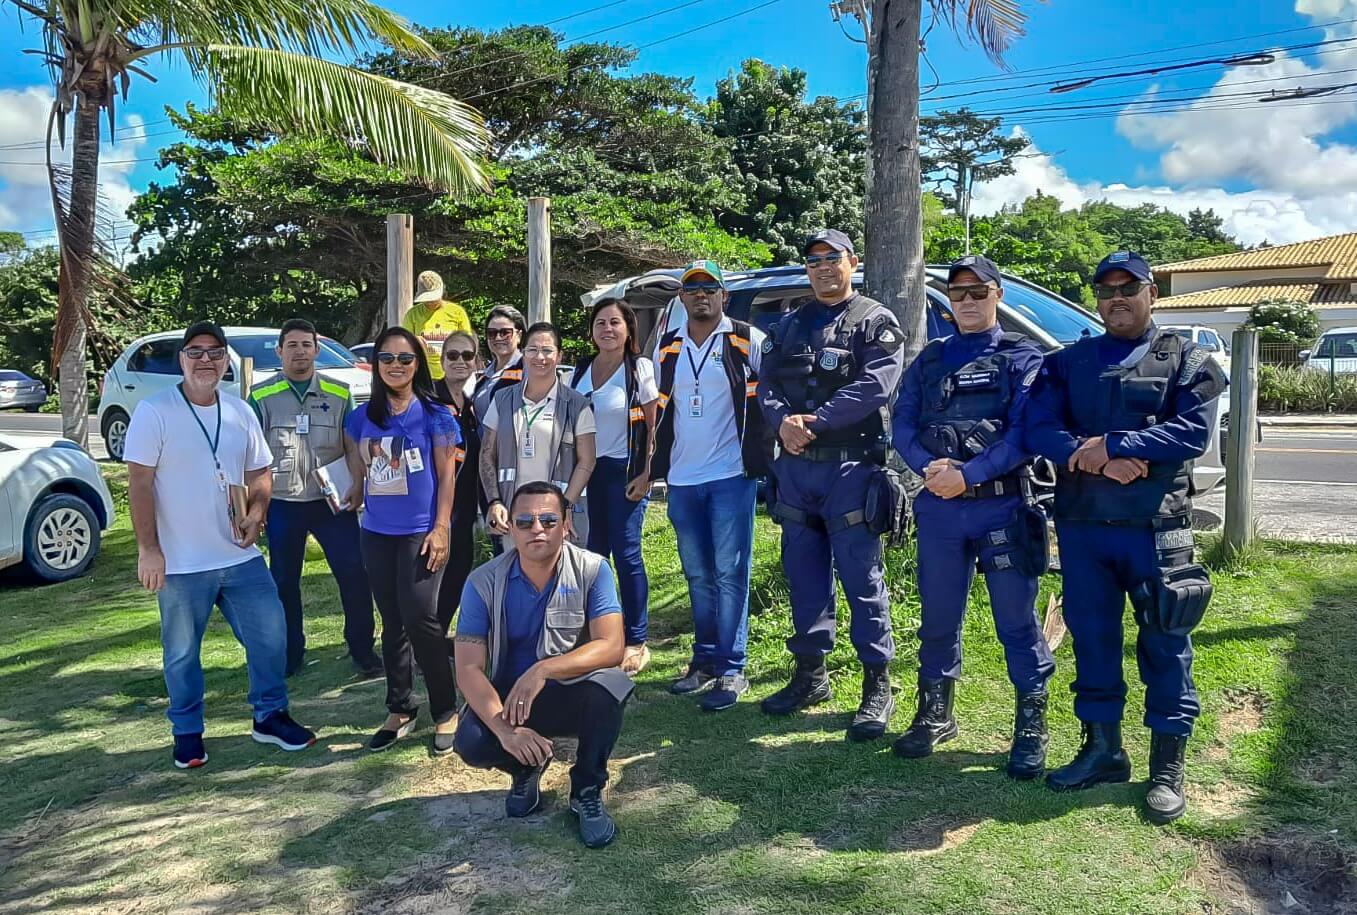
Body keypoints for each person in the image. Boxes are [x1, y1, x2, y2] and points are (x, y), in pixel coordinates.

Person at [1026, 250, 1227, 824]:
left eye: (1129, 287)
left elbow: (1192, 432)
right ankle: (1103, 751)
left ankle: (1167, 767)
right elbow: (1038, 427)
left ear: (1151, 294)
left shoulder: (1188, 359)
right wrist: (1091, 456)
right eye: (1107, 289)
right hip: (1084, 528)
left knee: (1166, 641)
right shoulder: (1068, 362)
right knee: (1092, 640)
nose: (1117, 297)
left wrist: (1115, 444)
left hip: (1156, 529)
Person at [890, 255, 1056, 775]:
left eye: (978, 291)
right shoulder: (931, 359)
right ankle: (935, 713)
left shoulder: (1023, 357)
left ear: (997, 295)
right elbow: (902, 422)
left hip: (1002, 506)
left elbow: (1024, 433)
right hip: (940, 509)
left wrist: (971, 474)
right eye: (957, 292)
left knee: (1015, 620)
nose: (966, 301)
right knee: (938, 617)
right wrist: (928, 468)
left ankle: (1031, 724)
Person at [125, 321, 316, 769]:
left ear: (226, 360)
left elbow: (259, 472)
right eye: (196, 352)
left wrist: (257, 511)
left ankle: (270, 716)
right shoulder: (155, 411)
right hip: (181, 563)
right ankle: (187, 732)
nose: (205, 360)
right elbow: (139, 484)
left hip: (239, 556)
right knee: (181, 655)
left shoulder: (239, 412)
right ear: (182, 360)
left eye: (214, 352)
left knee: (272, 638)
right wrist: (149, 550)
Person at [756, 230, 904, 741]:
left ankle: (877, 684)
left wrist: (814, 421)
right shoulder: (788, 325)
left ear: (852, 262)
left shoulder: (874, 321)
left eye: (832, 258)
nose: (822, 267)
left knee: (863, 580)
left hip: (851, 469)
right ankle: (811, 676)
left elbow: (875, 385)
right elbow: (767, 384)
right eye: (813, 260)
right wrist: (782, 422)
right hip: (798, 471)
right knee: (804, 578)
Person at [452, 481, 632, 849]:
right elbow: (468, 668)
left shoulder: (593, 569)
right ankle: (525, 766)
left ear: (566, 525)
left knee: (610, 689)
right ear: (511, 528)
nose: (537, 529)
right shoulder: (481, 582)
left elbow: (612, 646)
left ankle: (586, 790)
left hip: (571, 691)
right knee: (470, 741)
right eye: (525, 521)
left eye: (549, 520)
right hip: (512, 701)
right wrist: (506, 732)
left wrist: (543, 669)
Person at [651, 260, 770, 712]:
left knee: (730, 572)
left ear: (723, 295)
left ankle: (732, 666)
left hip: (730, 476)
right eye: (692, 288)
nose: (700, 295)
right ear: (682, 298)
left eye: (709, 288)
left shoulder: (746, 339)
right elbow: (656, 412)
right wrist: (650, 468)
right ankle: (703, 661)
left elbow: (772, 398)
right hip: (682, 479)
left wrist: (766, 456)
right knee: (698, 574)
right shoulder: (668, 347)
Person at [343, 326, 462, 755]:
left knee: (420, 617)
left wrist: (441, 527)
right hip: (376, 532)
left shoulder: (436, 414)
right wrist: (355, 487)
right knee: (392, 620)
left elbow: (447, 477)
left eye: (405, 358)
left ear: (417, 365)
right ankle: (400, 708)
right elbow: (358, 463)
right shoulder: (360, 416)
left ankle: (446, 709)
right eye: (387, 358)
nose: (396, 365)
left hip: (421, 532)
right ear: (376, 364)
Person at [249, 318, 380, 678]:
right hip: (282, 503)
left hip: (330, 503)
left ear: (317, 350)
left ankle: (362, 649)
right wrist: (255, 506)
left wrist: (358, 484)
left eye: (306, 345)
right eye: (292, 345)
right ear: (280, 351)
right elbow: (251, 457)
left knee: (354, 574)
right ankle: (291, 653)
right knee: (284, 581)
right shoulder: (260, 396)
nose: (300, 352)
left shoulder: (339, 392)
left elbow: (351, 444)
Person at [570, 298, 659, 675]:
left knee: (626, 554)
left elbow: (653, 427)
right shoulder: (580, 370)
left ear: (628, 329)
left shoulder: (639, 368)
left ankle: (636, 640)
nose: (607, 329)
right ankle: (601, 632)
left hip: (624, 473)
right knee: (593, 556)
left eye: (615, 322)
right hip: (586, 474)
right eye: (600, 323)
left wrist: (647, 473)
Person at [479, 322, 596, 545]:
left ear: (559, 356)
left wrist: (565, 504)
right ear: (523, 354)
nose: (539, 357)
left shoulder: (578, 405)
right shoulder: (502, 400)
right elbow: (486, 454)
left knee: (562, 568)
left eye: (547, 350)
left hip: (559, 518)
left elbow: (587, 461)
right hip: (515, 516)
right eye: (532, 349)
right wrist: (494, 501)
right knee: (516, 567)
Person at [433, 330, 482, 637]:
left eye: (467, 355)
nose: (459, 361)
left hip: (464, 508)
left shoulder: (471, 405)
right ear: (442, 360)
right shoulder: (428, 398)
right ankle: (419, 646)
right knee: (431, 578)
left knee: (458, 572)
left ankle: (437, 637)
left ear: (476, 361)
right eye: (452, 355)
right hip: (434, 506)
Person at [403, 269, 472, 383]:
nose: (431, 302)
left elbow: (467, 343)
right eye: (427, 298)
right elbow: (403, 346)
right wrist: (415, 342)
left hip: (452, 374)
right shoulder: (412, 314)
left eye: (433, 298)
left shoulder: (457, 312)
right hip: (423, 376)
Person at [471, 305, 526, 419]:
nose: (498, 338)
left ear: (519, 336)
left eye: (505, 333)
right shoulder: (485, 375)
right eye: (492, 333)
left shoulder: (527, 370)